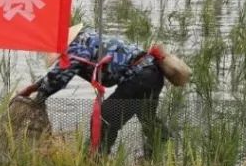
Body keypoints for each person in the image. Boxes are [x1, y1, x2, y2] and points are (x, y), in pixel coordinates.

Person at [16, 25, 169, 158]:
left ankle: (96, 162)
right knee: (147, 118)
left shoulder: (76, 48)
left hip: (138, 78)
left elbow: (59, 77)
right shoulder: (86, 38)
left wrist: (40, 97)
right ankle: (161, 154)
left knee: (104, 120)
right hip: (153, 74)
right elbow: (61, 71)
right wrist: (32, 88)